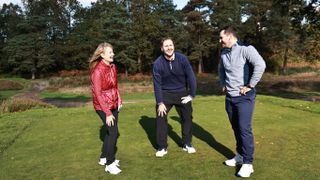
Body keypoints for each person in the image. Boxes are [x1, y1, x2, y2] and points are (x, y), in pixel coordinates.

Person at [218, 26, 266, 178]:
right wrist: (223, 83)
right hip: (230, 98)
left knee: (244, 129)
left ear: (230, 36)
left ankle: (248, 163)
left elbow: (261, 65)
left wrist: (250, 85)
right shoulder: (224, 53)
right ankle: (239, 156)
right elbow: (221, 70)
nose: (220, 41)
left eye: (221, 38)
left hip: (245, 98)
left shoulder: (246, 49)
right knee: (236, 128)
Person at [152, 37, 197, 157]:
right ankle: (162, 147)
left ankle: (187, 143)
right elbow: (157, 84)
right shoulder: (158, 63)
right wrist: (160, 102)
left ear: (174, 46)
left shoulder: (182, 59)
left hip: (182, 93)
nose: (169, 48)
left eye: (170, 45)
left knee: (187, 118)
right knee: (161, 118)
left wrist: (191, 95)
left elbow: (191, 77)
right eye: (166, 46)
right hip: (165, 94)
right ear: (162, 49)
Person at [89, 42, 122, 175]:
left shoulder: (113, 66)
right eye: (110, 52)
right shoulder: (97, 71)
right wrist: (108, 113)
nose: (113, 54)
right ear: (102, 55)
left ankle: (103, 157)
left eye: (112, 52)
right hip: (102, 106)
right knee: (113, 132)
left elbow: (115, 86)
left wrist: (119, 99)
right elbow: (97, 93)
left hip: (114, 103)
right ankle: (109, 163)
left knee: (110, 132)